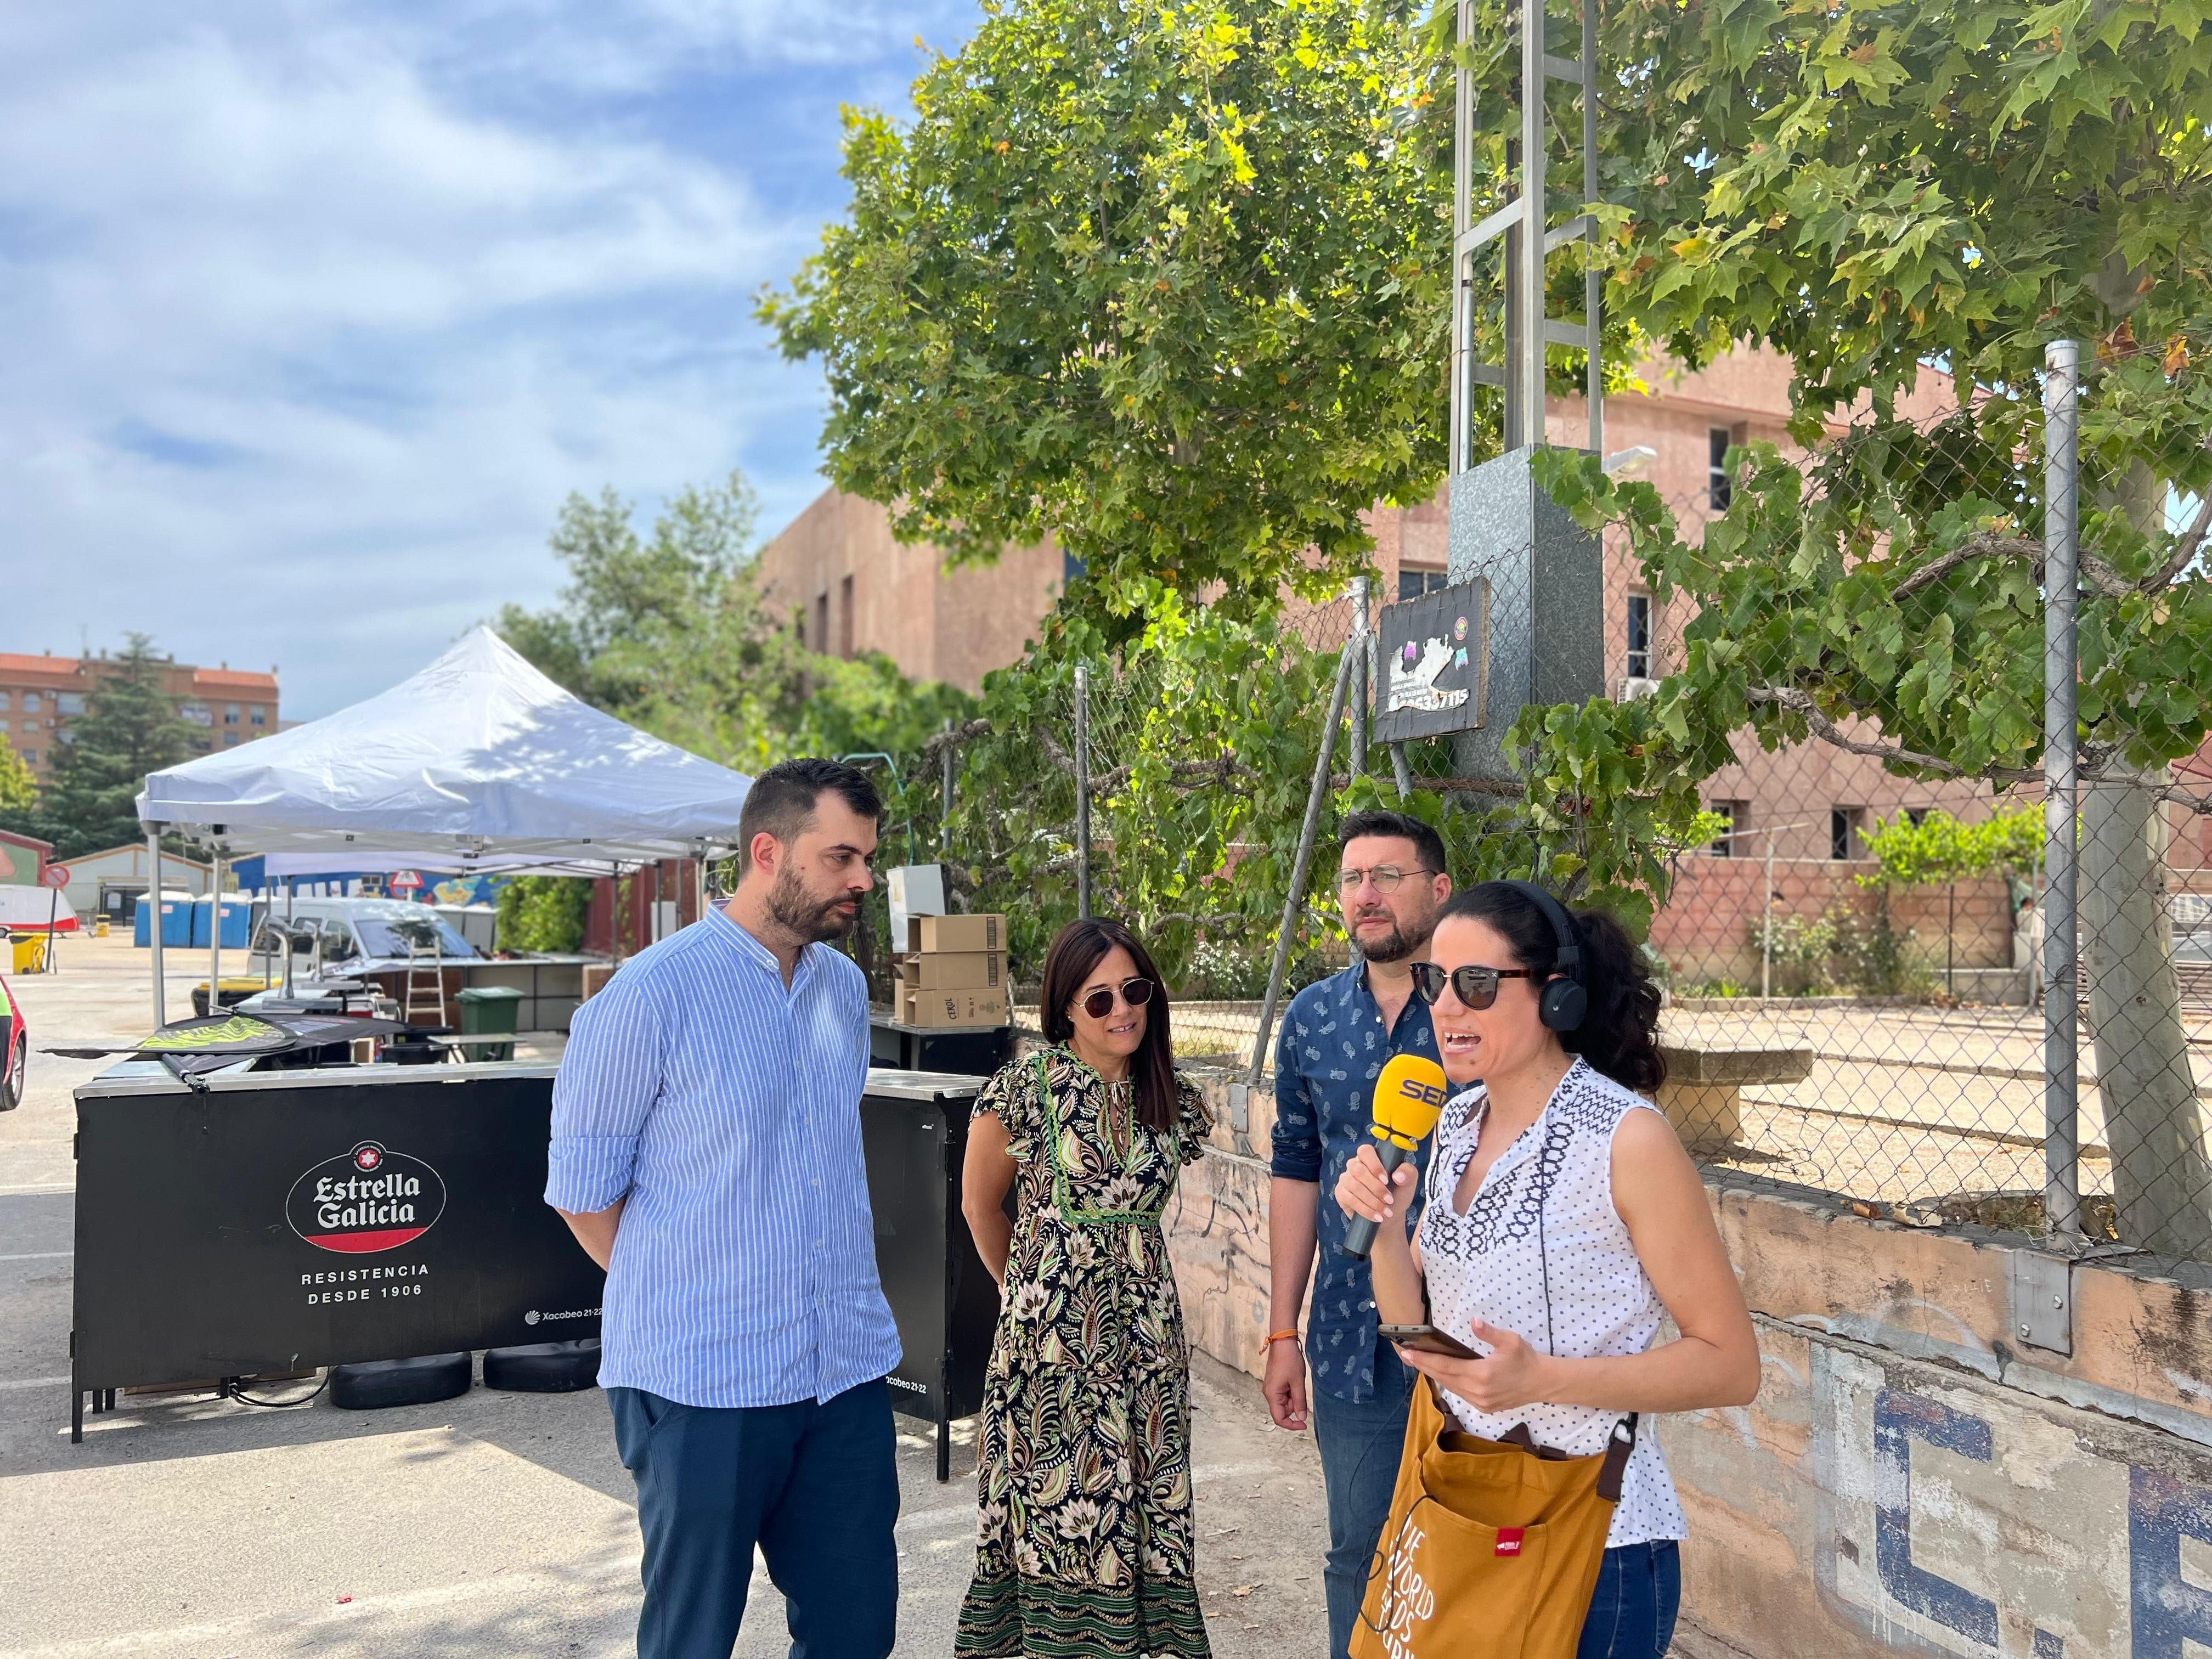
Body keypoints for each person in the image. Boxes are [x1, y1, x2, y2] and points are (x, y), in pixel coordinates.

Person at [1334, 882, 1760, 1659]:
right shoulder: (1456, 1125)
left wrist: (1542, 1380)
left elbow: (1731, 1365)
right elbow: (1413, 1331)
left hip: (1597, 1539)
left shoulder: (1626, 1140)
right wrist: (1387, 1232)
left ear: (1555, 996)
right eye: (1435, 982)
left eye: (1479, 985)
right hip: (1469, 1512)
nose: (1449, 1008)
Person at [546, 757, 901, 1659]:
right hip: (702, 1383)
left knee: (857, 1634)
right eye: (841, 858)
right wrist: (695, 1294)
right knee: (692, 1641)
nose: (863, 880)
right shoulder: (648, 997)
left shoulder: (844, 991)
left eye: (868, 858)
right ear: (767, 851)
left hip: (843, 1369)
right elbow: (585, 1200)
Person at [956, 917, 1216, 1659]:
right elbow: (980, 1206)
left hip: (1149, 1357)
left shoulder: (1174, 1095)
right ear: (1066, 1008)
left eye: (1133, 990)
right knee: (1056, 1514)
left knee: (1145, 1509)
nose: (1121, 1010)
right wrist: (1029, 1299)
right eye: (1097, 999)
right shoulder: (1022, 1092)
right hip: (1048, 1361)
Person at [1267, 808, 1449, 1659]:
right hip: (1350, 1331)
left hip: (1475, 1325)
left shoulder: (1479, 1005)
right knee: (1359, 1550)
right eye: (1351, 879)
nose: (1366, 895)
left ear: (1439, 890)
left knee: (1474, 1547)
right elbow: (1295, 1172)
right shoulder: (1309, 1018)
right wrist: (1279, 1331)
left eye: (1388, 875)